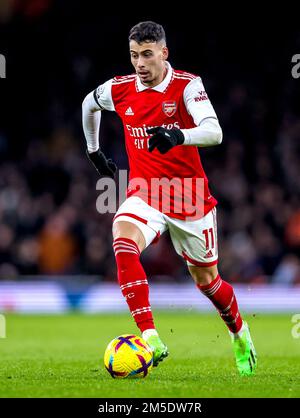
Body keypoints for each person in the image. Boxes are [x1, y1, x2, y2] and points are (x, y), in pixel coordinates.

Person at [82, 21, 257, 375]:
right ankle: (150, 336)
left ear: (164, 53)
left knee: (207, 281)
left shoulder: (187, 86)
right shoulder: (120, 89)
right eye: (134, 56)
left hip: (189, 195)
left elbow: (215, 132)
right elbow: (89, 103)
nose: (140, 64)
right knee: (122, 239)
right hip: (146, 191)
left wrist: (178, 136)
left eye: (147, 54)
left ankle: (240, 333)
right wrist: (93, 151)